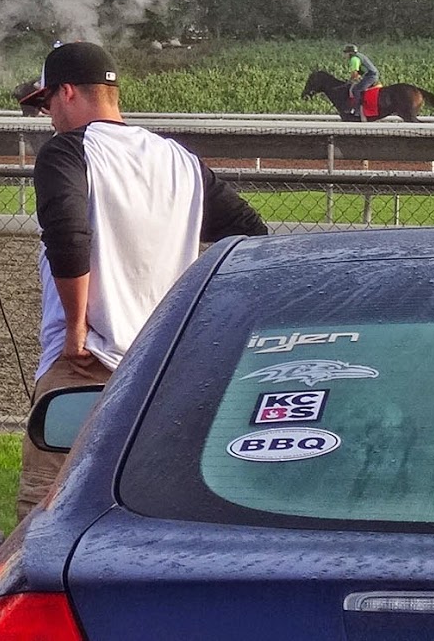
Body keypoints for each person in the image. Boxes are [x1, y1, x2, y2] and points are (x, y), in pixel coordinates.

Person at [15, 42, 267, 521]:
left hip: (87, 363)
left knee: (46, 510)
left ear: (67, 92)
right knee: (145, 508)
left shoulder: (67, 151)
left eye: (47, 104)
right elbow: (253, 236)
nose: (48, 117)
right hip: (162, 364)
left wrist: (74, 329)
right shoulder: (178, 159)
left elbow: (68, 237)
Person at [344, 44, 379, 119]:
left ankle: (357, 111)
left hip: (370, 76)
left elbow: (354, 73)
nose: (345, 55)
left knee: (356, 90)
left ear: (350, 53)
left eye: (346, 53)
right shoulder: (359, 56)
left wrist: (350, 80)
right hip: (369, 74)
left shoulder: (354, 59)